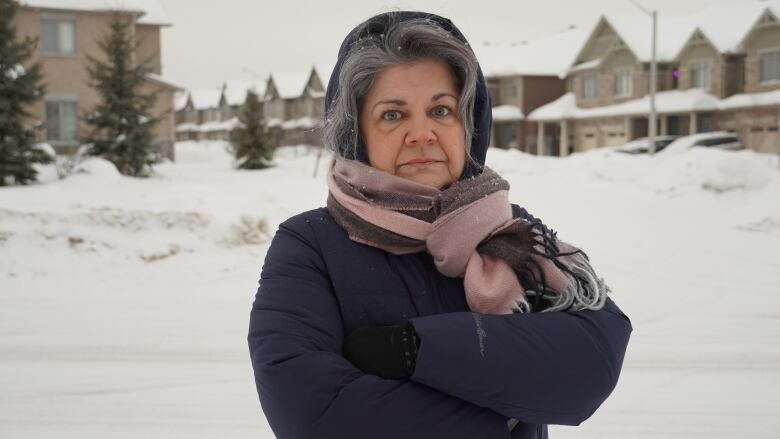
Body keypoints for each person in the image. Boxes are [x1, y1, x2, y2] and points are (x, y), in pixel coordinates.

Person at [248, 11, 632, 439]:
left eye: (441, 110)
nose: (422, 134)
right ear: (357, 132)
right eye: (393, 115)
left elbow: (592, 361)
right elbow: (312, 413)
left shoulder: (509, 229)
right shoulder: (310, 244)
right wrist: (503, 413)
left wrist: (416, 351)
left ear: (466, 124)